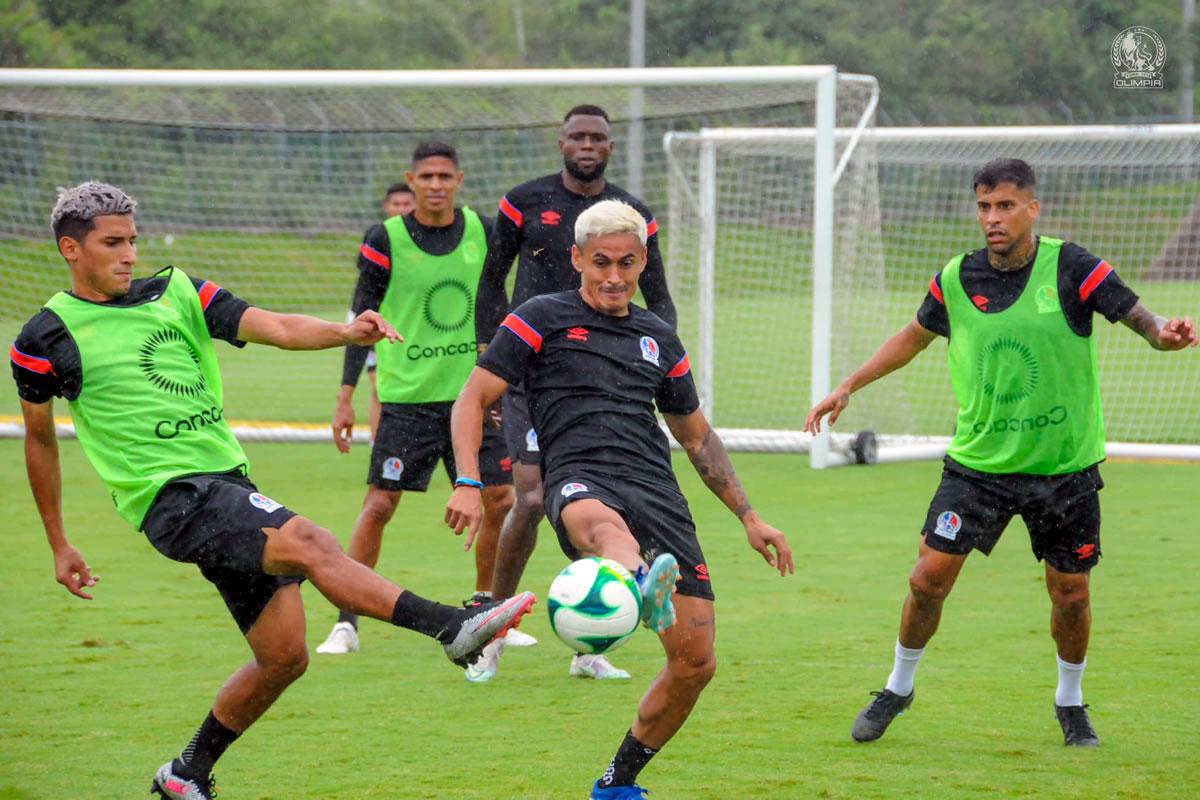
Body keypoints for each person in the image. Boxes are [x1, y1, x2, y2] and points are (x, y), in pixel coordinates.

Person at [10, 181, 535, 800]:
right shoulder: (45, 337)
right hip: (170, 498)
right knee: (310, 539)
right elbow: (40, 441)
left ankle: (185, 774)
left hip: (227, 482)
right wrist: (59, 543)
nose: (129, 254)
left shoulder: (179, 291)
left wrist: (345, 334)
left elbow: (277, 325)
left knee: (284, 655)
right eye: (112, 243)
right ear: (71, 249)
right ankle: (454, 628)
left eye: (133, 240)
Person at [804, 158, 1198, 748]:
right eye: (984, 206)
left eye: (1006, 206)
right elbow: (913, 337)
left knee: (1071, 594)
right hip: (979, 467)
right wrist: (849, 385)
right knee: (926, 580)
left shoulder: (1071, 265)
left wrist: (1163, 332)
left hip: (1063, 469)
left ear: (1031, 208)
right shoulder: (957, 278)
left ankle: (1071, 702)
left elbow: (1138, 316)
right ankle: (897, 687)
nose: (993, 218)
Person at [447, 200, 794, 798]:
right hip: (580, 478)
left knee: (695, 663)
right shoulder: (539, 317)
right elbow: (472, 399)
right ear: (577, 258)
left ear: (642, 263)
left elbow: (697, 438)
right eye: (600, 262)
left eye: (627, 263)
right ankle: (638, 582)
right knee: (607, 532)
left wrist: (750, 516)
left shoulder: (659, 338)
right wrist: (469, 482)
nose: (613, 276)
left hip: (658, 490)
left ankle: (617, 781)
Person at [473, 103, 677, 681]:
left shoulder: (635, 214)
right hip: (536, 375)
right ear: (561, 142)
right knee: (533, 500)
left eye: (598, 138)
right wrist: (490, 367)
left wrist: (664, 364)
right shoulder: (525, 200)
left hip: (606, 377)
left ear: (610, 147)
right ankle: (493, 629)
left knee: (599, 499)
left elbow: (658, 295)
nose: (587, 145)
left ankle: (592, 643)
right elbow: (492, 280)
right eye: (577, 136)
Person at [318, 143, 523, 676]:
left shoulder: (484, 231)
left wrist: (498, 369)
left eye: (444, 176)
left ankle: (486, 609)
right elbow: (361, 316)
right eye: (425, 176)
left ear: (460, 178)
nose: (435, 184)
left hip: (471, 397)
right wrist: (345, 394)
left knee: (500, 499)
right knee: (380, 505)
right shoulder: (384, 239)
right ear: (411, 180)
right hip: (407, 398)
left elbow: (495, 302)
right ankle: (346, 619)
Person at [356, 182, 417, 438]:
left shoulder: (425, 236)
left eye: (407, 204)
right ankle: (378, 442)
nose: (402, 209)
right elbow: (367, 286)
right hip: (377, 322)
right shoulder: (378, 237)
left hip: (411, 325)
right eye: (397, 204)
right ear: (386, 207)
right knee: (377, 386)